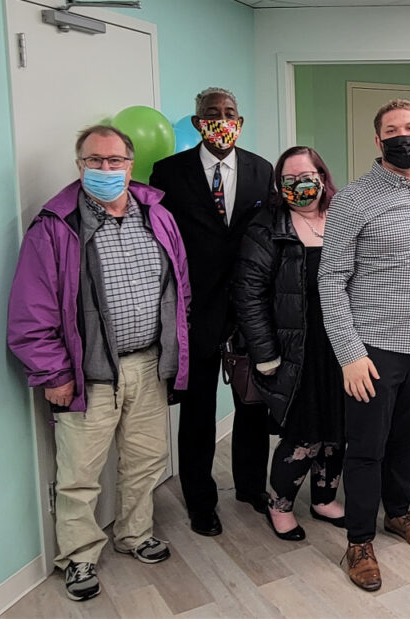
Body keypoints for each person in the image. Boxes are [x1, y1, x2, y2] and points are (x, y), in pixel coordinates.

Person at [7, 126, 190, 601]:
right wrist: (54, 373)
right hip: (86, 375)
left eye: (115, 161)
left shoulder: (158, 215)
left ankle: (134, 534)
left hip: (149, 364)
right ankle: (80, 556)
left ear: (131, 165)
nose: (106, 169)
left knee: (147, 459)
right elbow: (32, 310)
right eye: (95, 161)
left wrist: (176, 346)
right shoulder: (55, 227)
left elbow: (179, 287)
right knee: (80, 473)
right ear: (79, 165)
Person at [319, 99, 410, 591]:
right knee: (367, 449)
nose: (404, 135)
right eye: (393, 130)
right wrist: (350, 354)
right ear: (378, 141)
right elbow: (330, 280)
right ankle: (358, 540)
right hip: (373, 348)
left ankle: (397, 513)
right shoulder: (353, 199)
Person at [149, 87, 274, 537]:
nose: (221, 119)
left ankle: (251, 487)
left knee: (252, 404)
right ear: (198, 122)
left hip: (248, 307)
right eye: (211, 114)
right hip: (195, 308)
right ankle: (200, 501)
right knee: (198, 410)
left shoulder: (263, 169)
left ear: (239, 120)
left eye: (229, 113)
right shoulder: (168, 172)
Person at [232, 146, 346, 542]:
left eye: (308, 176)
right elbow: (248, 295)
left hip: (342, 345)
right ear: (279, 185)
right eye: (290, 179)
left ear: (322, 175)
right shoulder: (266, 227)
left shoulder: (342, 218)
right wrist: (265, 356)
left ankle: (324, 499)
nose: (301, 185)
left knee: (337, 428)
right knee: (303, 432)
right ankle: (279, 504)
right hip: (294, 351)